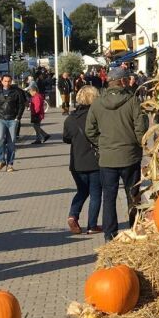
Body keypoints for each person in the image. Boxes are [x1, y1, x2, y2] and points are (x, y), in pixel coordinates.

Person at [85, 65, 146, 239]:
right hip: (130, 156)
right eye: (127, 79)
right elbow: (140, 128)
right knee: (133, 196)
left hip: (107, 158)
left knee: (109, 197)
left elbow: (90, 130)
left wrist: (102, 144)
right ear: (121, 82)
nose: (128, 82)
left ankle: (109, 234)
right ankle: (135, 228)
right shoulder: (133, 101)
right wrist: (139, 144)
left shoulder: (97, 103)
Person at [62, 85, 102, 235]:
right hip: (95, 161)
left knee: (82, 191)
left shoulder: (71, 118)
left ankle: (73, 215)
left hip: (77, 162)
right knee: (96, 193)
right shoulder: (97, 117)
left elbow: (66, 139)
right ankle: (92, 225)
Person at [0, 73, 26, 171]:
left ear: (11, 81)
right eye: (5, 81)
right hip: (0, 119)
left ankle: (10, 164)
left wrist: (18, 118)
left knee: (11, 142)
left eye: (9, 81)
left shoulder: (16, 92)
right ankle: (0, 160)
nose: (7, 83)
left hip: (12, 119)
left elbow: (21, 105)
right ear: (1, 81)